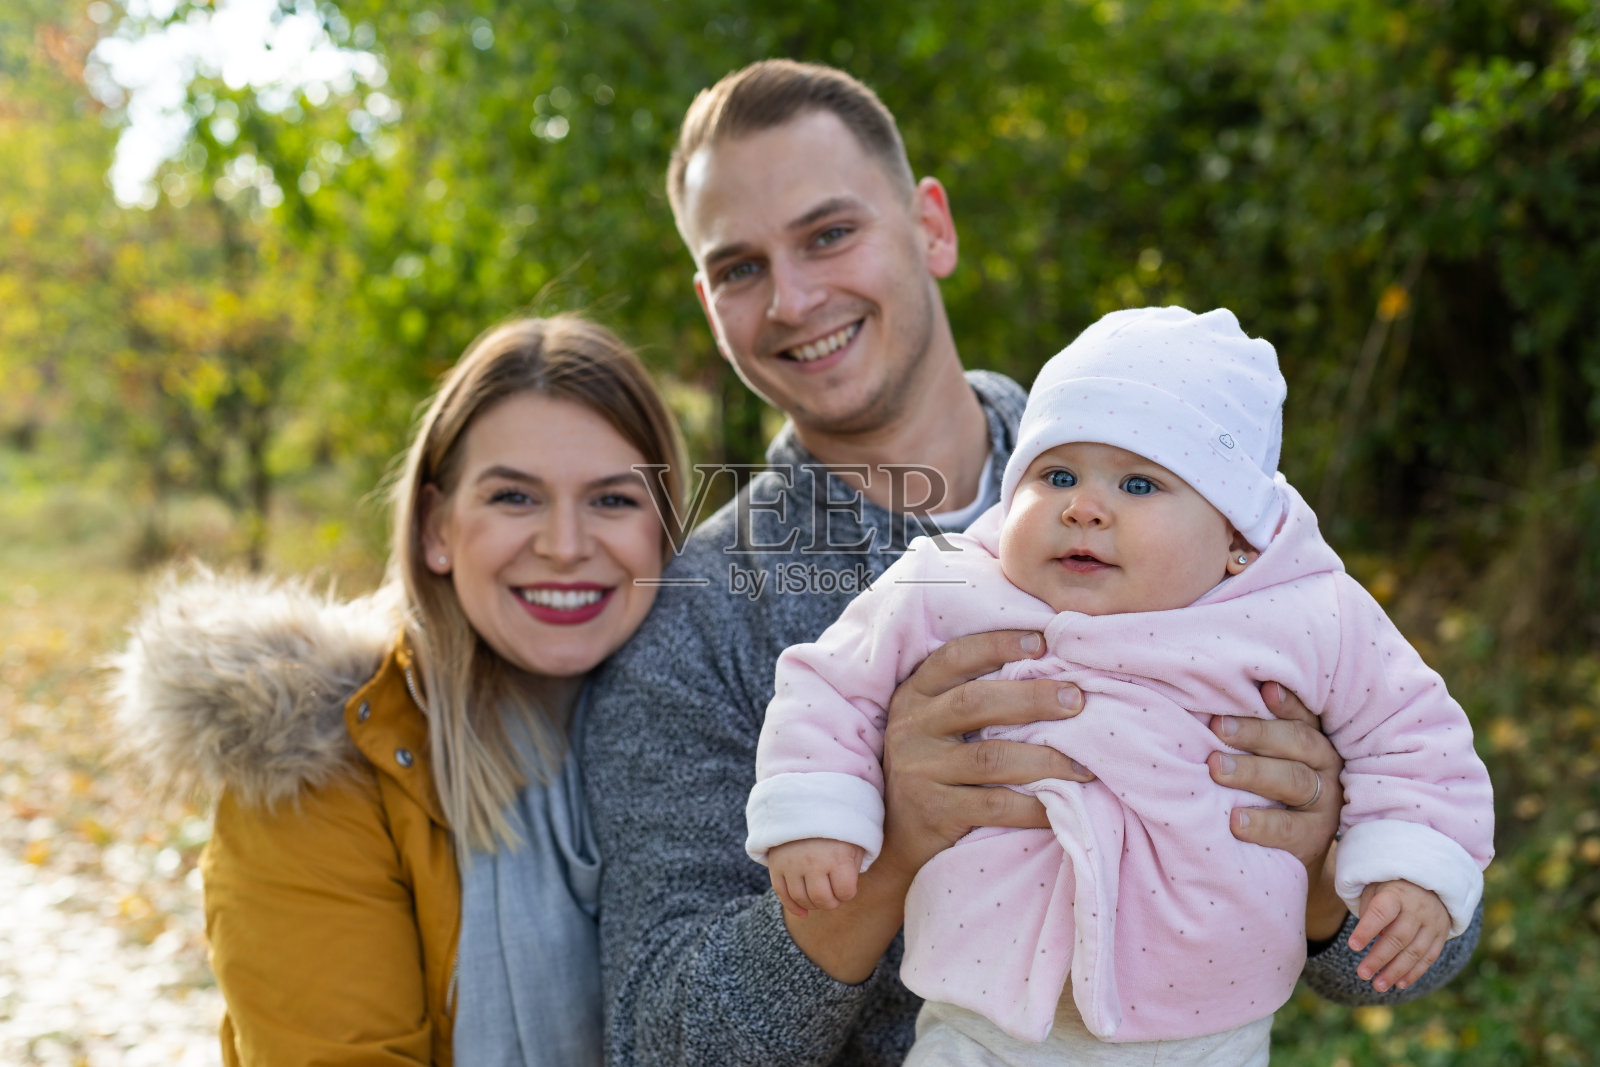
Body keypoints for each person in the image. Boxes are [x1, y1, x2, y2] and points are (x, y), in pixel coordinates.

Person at [584, 59, 1483, 1066]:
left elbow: (1414, 922)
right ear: (709, 301)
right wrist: (888, 847)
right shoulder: (697, 619)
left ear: (932, 225)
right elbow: (664, 1038)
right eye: (741, 267)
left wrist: (1325, 859)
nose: (793, 298)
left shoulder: (1186, 459)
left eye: (830, 233)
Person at [748, 306, 1494, 1064]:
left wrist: (1408, 864)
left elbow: (1412, 733)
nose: (1084, 505)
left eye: (1139, 483)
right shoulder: (948, 584)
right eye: (1056, 474)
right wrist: (817, 809)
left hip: (1207, 1029)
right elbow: (832, 680)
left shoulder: (1305, 612)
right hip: (983, 1021)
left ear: (1236, 536)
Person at [113, 314, 684, 1066]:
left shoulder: (725, 736)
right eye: (514, 497)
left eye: (613, 499)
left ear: (666, 527)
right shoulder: (320, 775)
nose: (566, 544)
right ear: (435, 529)